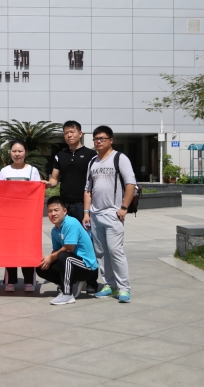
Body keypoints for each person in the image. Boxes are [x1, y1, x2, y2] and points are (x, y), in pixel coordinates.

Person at [42, 120, 100, 292]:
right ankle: (69, 278)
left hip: (83, 205)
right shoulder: (60, 155)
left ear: (80, 134)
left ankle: (91, 282)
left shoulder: (91, 155)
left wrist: (88, 210)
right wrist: (47, 184)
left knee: (88, 241)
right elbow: (55, 179)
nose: (69, 135)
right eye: (66, 133)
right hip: (65, 206)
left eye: (72, 132)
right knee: (67, 241)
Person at [83, 126, 136, 303]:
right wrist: (86, 212)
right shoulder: (93, 162)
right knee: (101, 252)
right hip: (95, 214)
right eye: (96, 139)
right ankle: (109, 284)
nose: (98, 141)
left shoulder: (120, 158)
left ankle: (124, 288)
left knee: (115, 251)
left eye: (102, 138)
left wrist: (124, 207)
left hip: (113, 214)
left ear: (111, 140)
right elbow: (87, 189)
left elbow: (130, 184)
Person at [0, 140, 41, 292]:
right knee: (10, 249)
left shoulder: (32, 171)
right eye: (14, 151)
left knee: (27, 248)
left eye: (20, 151)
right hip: (9, 218)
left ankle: (29, 281)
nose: (17, 154)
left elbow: (37, 193)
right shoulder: (4, 171)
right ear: (10, 152)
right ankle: (10, 281)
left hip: (27, 218)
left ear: (26, 153)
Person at [37, 196, 98, 305]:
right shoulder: (55, 230)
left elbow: (69, 248)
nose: (53, 214)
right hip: (72, 263)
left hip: (87, 267)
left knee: (63, 255)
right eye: (50, 211)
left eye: (56, 210)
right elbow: (56, 250)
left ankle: (67, 294)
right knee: (41, 267)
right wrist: (48, 260)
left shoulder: (71, 223)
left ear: (64, 211)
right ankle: (72, 282)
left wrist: (51, 257)